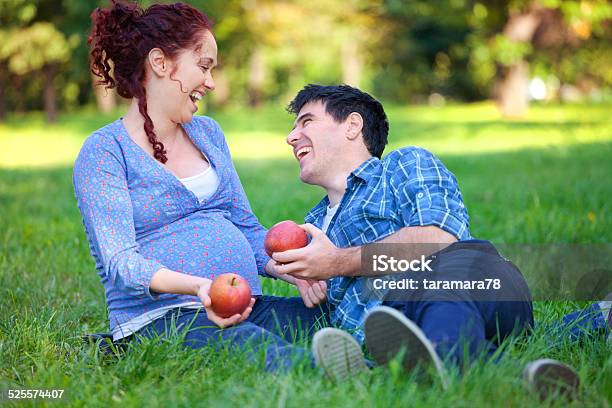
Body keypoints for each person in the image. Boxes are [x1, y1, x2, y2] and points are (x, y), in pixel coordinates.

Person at [272, 84, 610, 395]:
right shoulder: (313, 229)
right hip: (396, 328)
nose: (291, 137)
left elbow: (437, 239)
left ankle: (415, 362)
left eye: (306, 122)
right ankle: (524, 370)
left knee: (436, 282)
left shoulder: (404, 165)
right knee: (402, 330)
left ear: (352, 125)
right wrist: (294, 273)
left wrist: (335, 263)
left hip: (473, 283)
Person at [75, 0, 328, 372]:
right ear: (160, 63)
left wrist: (289, 269)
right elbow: (121, 264)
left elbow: (245, 226)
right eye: (204, 66)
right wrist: (200, 288)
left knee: (326, 319)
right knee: (257, 347)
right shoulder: (105, 151)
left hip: (241, 304)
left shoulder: (208, 133)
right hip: (162, 317)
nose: (210, 82)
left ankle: (409, 358)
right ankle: (345, 377)